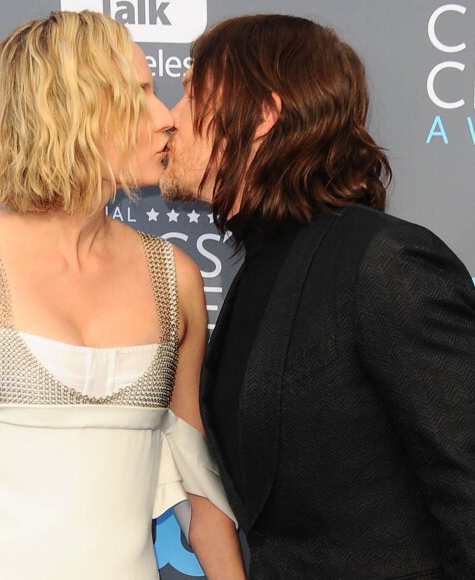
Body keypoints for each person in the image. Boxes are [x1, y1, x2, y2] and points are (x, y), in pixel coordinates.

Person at [0, 11, 245, 580]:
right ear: (71, 110)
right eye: (137, 95)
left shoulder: (173, 275)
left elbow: (198, 486)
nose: (165, 120)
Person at [160, 13, 475, 580]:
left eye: (188, 94)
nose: (169, 120)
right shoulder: (260, 270)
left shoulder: (384, 261)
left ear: (261, 116)